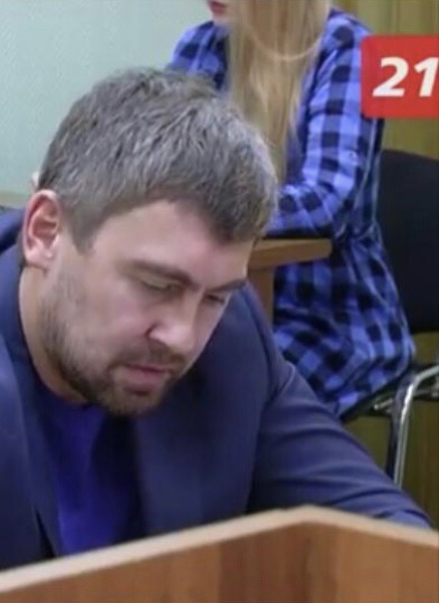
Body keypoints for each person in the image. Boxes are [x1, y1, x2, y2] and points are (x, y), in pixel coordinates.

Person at [0, 68, 429, 603]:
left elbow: (392, 543)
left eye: (215, 294)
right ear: (45, 231)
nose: (184, 335)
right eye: (155, 284)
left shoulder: (229, 338)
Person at [169, 0, 414, 416]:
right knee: (128, 357)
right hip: (218, 301)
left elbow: (326, 200)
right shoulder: (200, 46)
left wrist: (206, 209)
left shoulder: (350, 49)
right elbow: (157, 170)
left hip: (328, 319)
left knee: (215, 389)